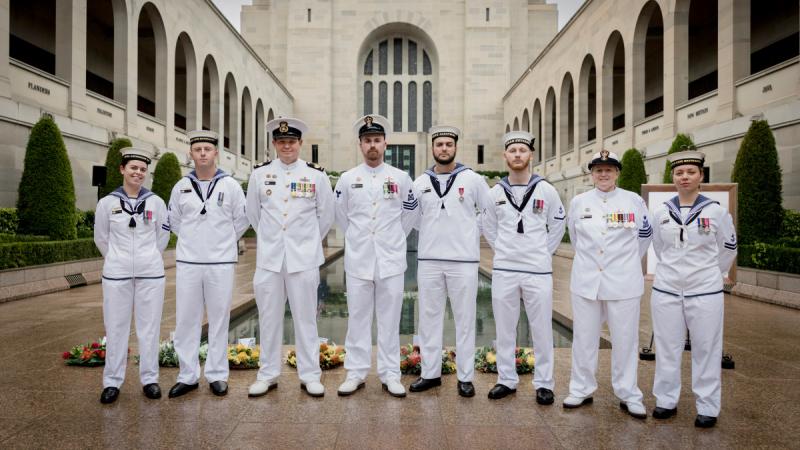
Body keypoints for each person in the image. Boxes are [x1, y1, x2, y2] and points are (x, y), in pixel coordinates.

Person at [246, 118, 335, 398]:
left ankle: (310, 375)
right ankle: (267, 374)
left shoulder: (316, 176)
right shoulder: (259, 175)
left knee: (306, 319)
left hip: (303, 259)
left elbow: (326, 216)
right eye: (282, 142)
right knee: (268, 318)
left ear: (300, 143)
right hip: (270, 260)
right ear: (274, 144)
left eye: (292, 142)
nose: (287, 146)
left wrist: (304, 242)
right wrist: (273, 239)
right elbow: (254, 215)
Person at [650, 150, 737, 428]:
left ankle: (708, 407)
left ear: (701, 175)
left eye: (690, 172)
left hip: (705, 292)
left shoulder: (716, 211)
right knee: (666, 346)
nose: (684, 177)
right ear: (673, 177)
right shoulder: (662, 212)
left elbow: (728, 249)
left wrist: (709, 273)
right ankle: (665, 400)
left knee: (707, 348)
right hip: (667, 290)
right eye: (679, 173)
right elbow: (659, 248)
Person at [334, 114, 418, 398]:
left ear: (386, 144)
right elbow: (341, 216)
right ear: (360, 144)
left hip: (391, 261)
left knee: (390, 320)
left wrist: (392, 239)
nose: (373, 145)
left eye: (377, 140)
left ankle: (390, 374)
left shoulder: (401, 178)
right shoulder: (347, 179)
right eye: (367, 140)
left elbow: (410, 213)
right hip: (358, 261)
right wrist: (360, 240)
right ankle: (355, 373)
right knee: (357, 319)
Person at [564, 150, 652, 419]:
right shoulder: (579, 202)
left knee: (625, 340)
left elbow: (644, 239)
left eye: (609, 169)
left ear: (617, 173)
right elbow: (576, 238)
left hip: (623, 282)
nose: (603, 174)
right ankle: (581, 388)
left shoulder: (634, 201)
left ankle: (628, 393)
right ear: (591, 173)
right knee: (584, 339)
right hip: (587, 280)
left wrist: (623, 264)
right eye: (598, 169)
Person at [482, 131, 564, 404]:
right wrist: (504, 252)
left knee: (541, 328)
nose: (517, 154)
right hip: (505, 269)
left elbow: (558, 225)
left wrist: (542, 252)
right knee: (505, 328)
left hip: (537, 270)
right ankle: (506, 379)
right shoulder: (495, 193)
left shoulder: (546, 190)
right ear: (505, 156)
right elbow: (489, 228)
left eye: (522, 150)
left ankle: (544, 383)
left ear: (531, 155)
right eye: (512, 150)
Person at [409, 125, 490, 398]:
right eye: (439, 144)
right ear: (433, 148)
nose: (444, 148)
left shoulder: (473, 179)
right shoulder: (420, 182)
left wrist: (469, 232)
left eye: (448, 144)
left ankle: (465, 377)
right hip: (430, 260)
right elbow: (414, 219)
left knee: (465, 320)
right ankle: (430, 374)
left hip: (463, 262)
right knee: (429, 320)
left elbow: (488, 212)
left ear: (455, 147)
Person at [167, 130, 249, 398]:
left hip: (221, 262)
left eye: (207, 149)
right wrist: (194, 241)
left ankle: (216, 375)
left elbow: (242, 219)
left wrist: (222, 241)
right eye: (198, 149)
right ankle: (187, 376)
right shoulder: (181, 187)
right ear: (190, 153)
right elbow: (175, 221)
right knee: (186, 321)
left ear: (216, 153)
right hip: (189, 262)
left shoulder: (231, 186)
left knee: (219, 319)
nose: (202, 153)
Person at [94, 147, 170, 404]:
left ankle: (150, 380)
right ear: (122, 169)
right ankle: (112, 382)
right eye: (133, 168)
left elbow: (163, 236)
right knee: (115, 328)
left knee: (149, 329)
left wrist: (149, 257)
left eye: (142, 169)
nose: (138, 172)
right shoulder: (107, 203)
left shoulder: (156, 202)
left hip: (150, 274)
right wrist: (117, 259)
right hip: (117, 275)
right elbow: (101, 238)